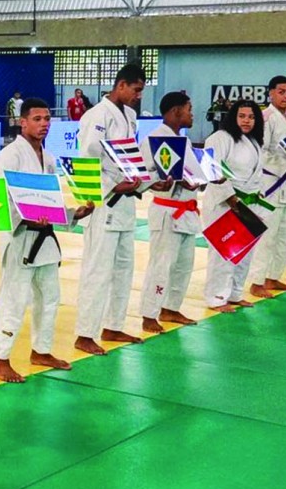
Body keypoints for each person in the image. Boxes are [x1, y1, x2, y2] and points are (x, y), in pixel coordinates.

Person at [0, 99, 86, 381]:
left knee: (50, 297)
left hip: (44, 240)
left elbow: (49, 203)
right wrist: (27, 218)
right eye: (37, 119)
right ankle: (1, 359)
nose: (44, 124)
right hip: (20, 238)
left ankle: (41, 350)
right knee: (14, 300)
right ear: (23, 122)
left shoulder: (49, 158)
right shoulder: (7, 157)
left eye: (47, 119)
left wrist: (73, 213)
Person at [74, 64, 146, 356]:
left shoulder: (130, 115)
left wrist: (140, 180)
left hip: (126, 204)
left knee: (123, 269)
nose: (138, 96)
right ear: (121, 85)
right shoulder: (97, 115)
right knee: (98, 270)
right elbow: (86, 159)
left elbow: (129, 156)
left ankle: (113, 325)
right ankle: (85, 333)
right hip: (103, 203)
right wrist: (111, 187)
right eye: (136, 90)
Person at [140, 91, 201, 334]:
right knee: (161, 265)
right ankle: (149, 314)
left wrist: (203, 179)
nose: (192, 114)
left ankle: (171, 308)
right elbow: (144, 174)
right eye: (189, 109)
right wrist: (165, 180)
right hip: (167, 211)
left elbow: (194, 173)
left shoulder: (183, 141)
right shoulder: (153, 139)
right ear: (176, 111)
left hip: (187, 210)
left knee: (183, 265)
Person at [202, 100, 265, 312]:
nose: (247, 121)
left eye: (251, 117)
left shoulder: (254, 141)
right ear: (233, 117)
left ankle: (235, 293)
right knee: (223, 252)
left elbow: (257, 174)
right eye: (242, 116)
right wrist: (230, 197)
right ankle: (216, 297)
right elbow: (212, 170)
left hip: (249, 201)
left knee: (244, 252)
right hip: (225, 203)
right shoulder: (219, 138)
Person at [249, 75, 286, 298]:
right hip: (271, 184)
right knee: (268, 236)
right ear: (270, 93)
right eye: (281, 92)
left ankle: (273, 277)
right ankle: (257, 281)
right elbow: (260, 152)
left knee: (285, 235)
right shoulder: (266, 117)